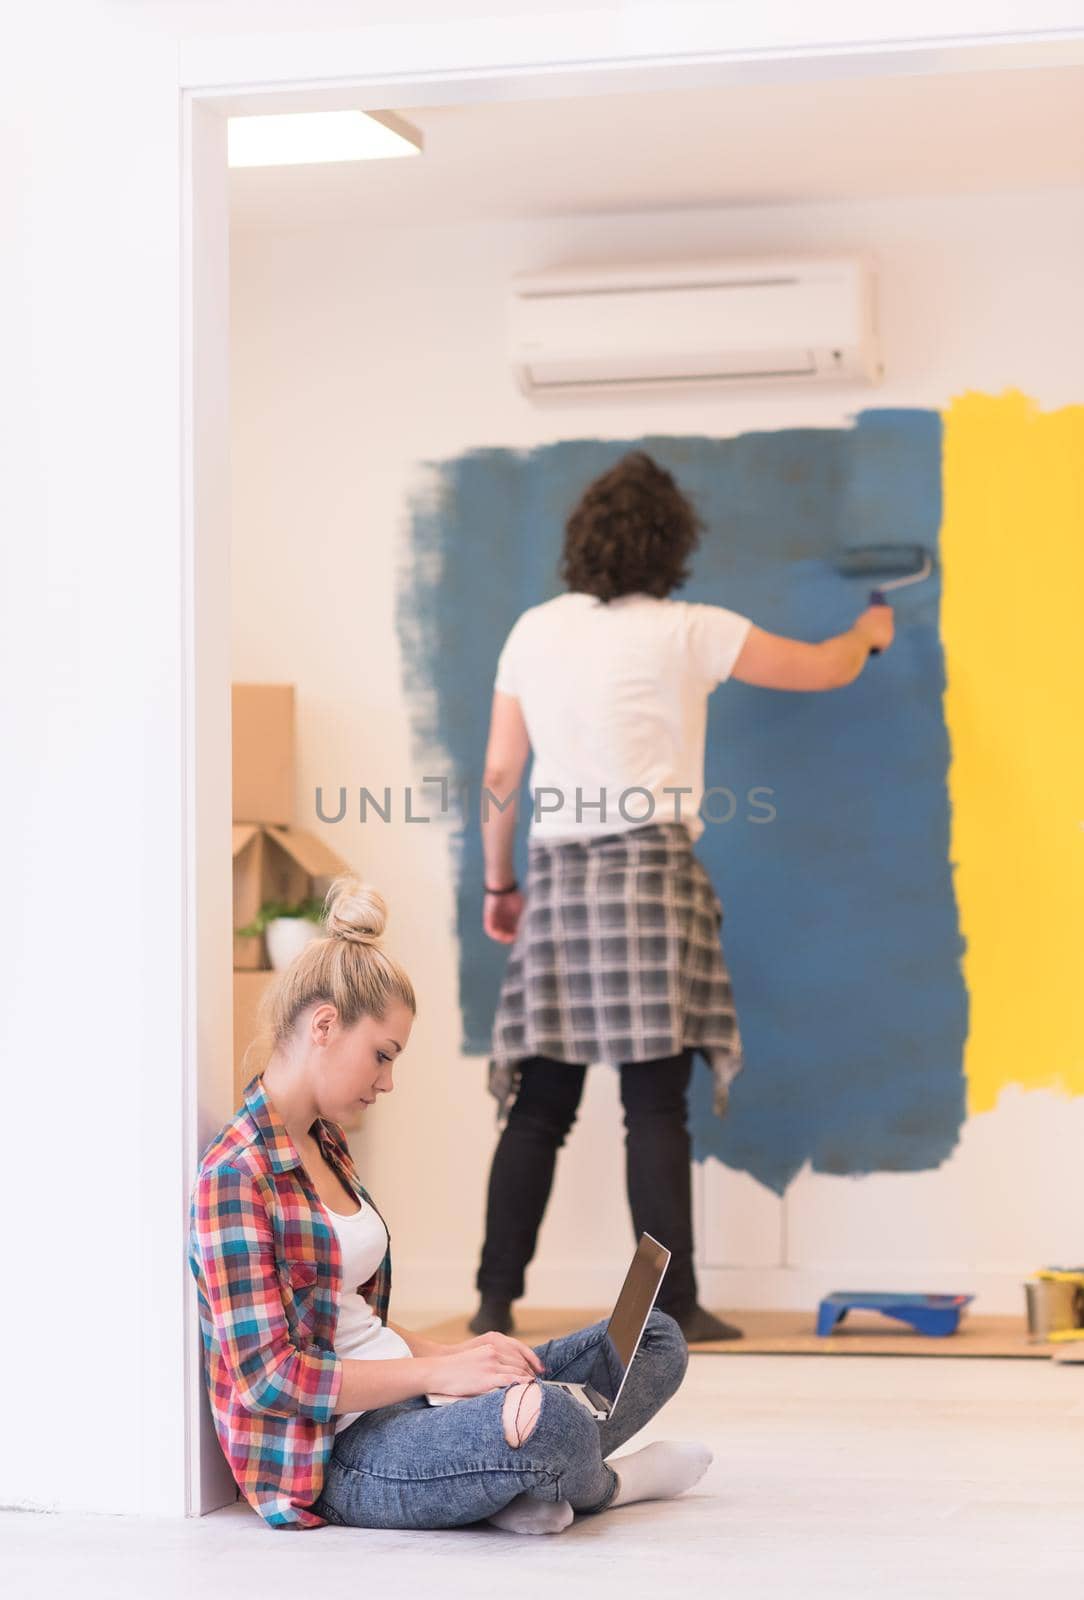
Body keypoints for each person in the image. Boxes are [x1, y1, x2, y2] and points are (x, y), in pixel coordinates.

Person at [472, 451, 894, 1344]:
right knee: (653, 1106)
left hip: (557, 874)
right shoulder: (688, 629)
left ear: (583, 542)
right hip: (654, 873)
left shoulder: (534, 630)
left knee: (540, 1106)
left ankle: (491, 1303)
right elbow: (822, 668)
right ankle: (673, 1308)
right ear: (672, 545)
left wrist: (500, 881)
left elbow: (502, 770)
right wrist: (868, 634)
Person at [189, 875, 708, 1533]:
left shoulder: (325, 1143)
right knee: (551, 1418)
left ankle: (517, 1488)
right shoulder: (236, 1176)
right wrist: (439, 1371)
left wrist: (459, 1357)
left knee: (654, 1338)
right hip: (342, 1452)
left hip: (415, 1396)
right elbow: (273, 1381)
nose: (388, 1081)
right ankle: (611, 1485)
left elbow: (348, 1316)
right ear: (324, 1025)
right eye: (381, 1056)